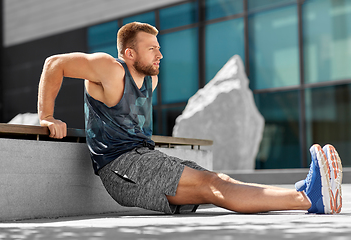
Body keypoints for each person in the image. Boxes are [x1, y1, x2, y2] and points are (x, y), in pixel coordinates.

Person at [38, 22, 342, 214]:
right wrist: (47, 116)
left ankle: (304, 195)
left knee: (216, 184)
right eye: (152, 49)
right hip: (122, 165)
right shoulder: (110, 69)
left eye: (159, 48)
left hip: (143, 159)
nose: (160, 55)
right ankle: (310, 197)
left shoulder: (149, 81)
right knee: (213, 183)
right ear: (129, 53)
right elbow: (54, 64)